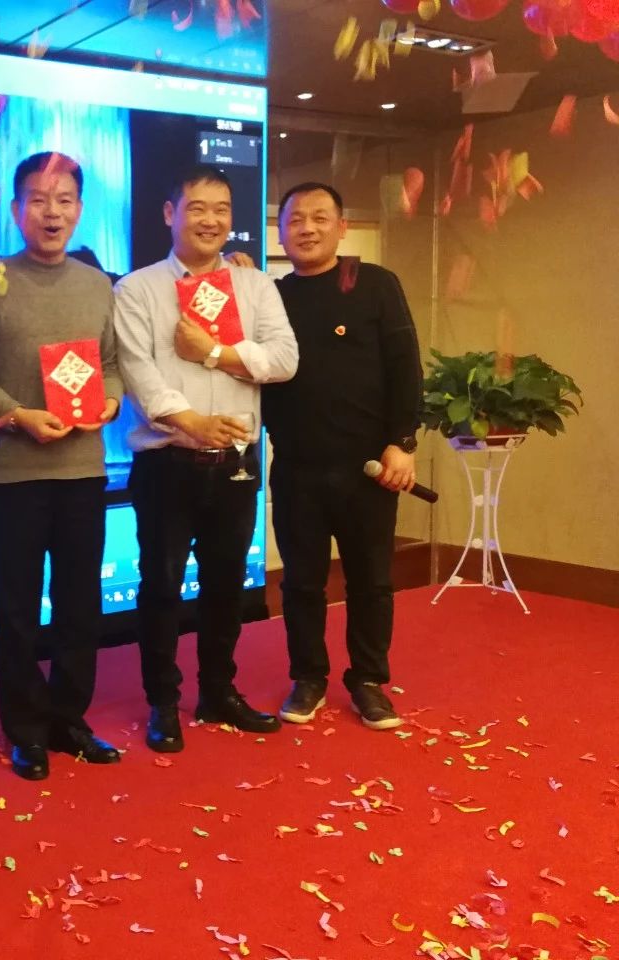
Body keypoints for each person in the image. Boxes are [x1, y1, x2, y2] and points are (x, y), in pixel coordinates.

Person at [113, 164, 298, 752]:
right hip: (167, 463)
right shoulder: (137, 289)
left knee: (226, 586)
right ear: (171, 213)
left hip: (236, 461)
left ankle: (218, 691)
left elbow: (285, 360)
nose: (210, 220)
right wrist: (191, 421)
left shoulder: (255, 285)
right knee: (162, 586)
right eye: (197, 207)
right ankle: (163, 703)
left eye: (221, 209)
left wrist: (215, 352)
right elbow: (138, 372)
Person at [0, 151, 123, 781]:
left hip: (84, 470)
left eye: (63, 200)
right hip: (16, 474)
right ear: (15, 209)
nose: (51, 212)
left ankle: (69, 719)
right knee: (18, 610)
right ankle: (26, 728)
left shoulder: (97, 284)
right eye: (37, 199)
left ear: (79, 209)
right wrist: (17, 415)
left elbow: (110, 364)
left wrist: (111, 402)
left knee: (81, 606)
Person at [265, 181, 422, 731]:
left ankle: (369, 680)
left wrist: (403, 442)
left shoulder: (374, 283)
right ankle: (308, 676)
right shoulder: (272, 297)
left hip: (368, 469)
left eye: (319, 217)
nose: (306, 228)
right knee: (301, 582)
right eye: (295, 219)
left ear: (341, 227)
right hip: (297, 468)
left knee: (371, 580)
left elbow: (405, 367)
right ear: (281, 231)